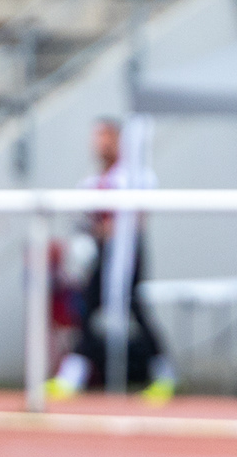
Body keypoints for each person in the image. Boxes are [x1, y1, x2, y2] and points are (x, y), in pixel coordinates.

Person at [46, 117, 176, 404]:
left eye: (105, 136)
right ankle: (73, 375)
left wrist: (112, 230)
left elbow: (137, 218)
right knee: (87, 308)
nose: (99, 143)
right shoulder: (92, 181)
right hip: (103, 253)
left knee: (135, 309)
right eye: (97, 137)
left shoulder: (133, 176)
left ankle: (165, 375)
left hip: (128, 252)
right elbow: (85, 220)